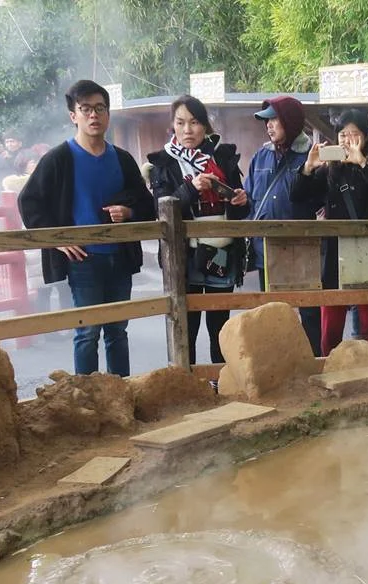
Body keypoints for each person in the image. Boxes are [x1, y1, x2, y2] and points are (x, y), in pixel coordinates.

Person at [18, 79, 155, 377]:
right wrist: (56, 239)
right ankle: (87, 395)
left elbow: (147, 203)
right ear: (73, 115)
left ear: (108, 114)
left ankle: (120, 391)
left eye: (100, 108)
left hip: (120, 256)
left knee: (118, 330)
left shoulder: (122, 159)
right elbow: (29, 202)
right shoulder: (58, 159)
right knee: (87, 332)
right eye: (86, 109)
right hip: (83, 260)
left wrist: (129, 211)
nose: (94, 115)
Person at [146, 94, 250, 365]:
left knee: (220, 327)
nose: (187, 130)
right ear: (173, 126)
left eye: (194, 122)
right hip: (184, 257)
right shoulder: (163, 163)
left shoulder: (223, 157)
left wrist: (241, 200)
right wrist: (191, 188)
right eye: (180, 123)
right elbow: (161, 209)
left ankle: (220, 381)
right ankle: (186, 381)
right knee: (186, 326)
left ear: (205, 125)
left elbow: (239, 212)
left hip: (222, 252)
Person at [291, 109, 368, 355]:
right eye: (343, 135)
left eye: (354, 134)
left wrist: (362, 163)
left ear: (365, 137)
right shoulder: (330, 170)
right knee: (331, 325)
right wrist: (308, 168)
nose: (348, 140)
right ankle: (331, 368)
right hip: (335, 252)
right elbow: (297, 197)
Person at [244, 95, 319, 353]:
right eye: (267, 121)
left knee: (309, 311)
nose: (269, 125)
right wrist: (240, 199)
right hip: (265, 247)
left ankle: (312, 362)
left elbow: (320, 198)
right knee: (269, 311)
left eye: (274, 119)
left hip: (301, 247)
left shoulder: (312, 155)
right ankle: (275, 363)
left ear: (290, 120)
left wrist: (308, 172)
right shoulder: (260, 156)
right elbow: (250, 198)